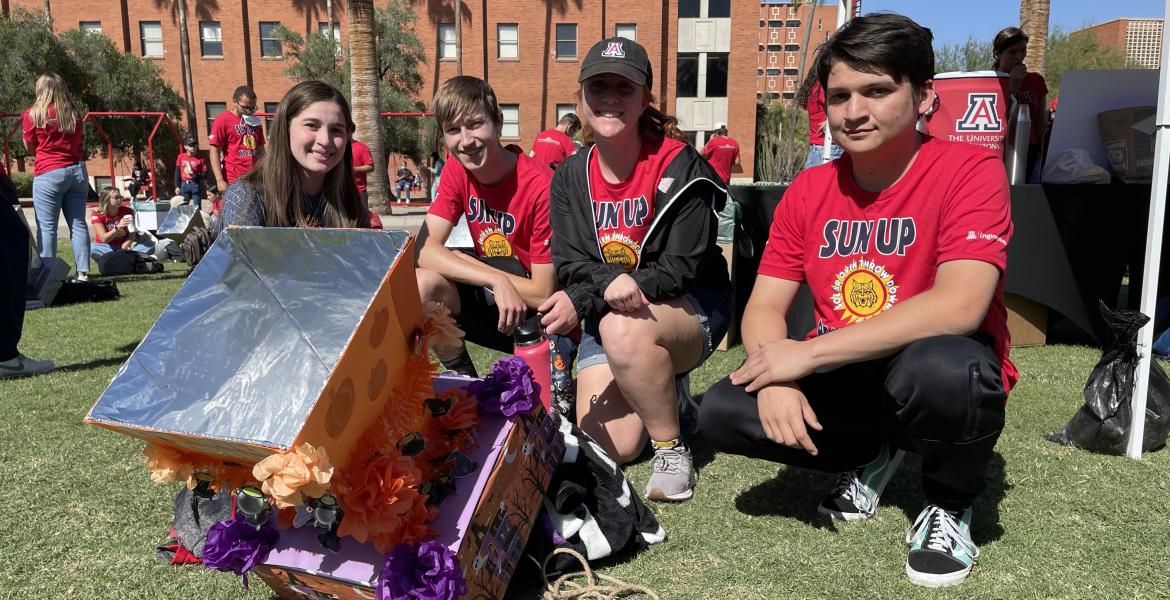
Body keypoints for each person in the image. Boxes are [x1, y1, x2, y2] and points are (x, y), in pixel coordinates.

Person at [698, 14, 1014, 588]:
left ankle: (947, 502)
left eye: (877, 90)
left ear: (924, 97)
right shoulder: (810, 189)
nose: (854, 111)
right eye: (840, 95)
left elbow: (960, 305)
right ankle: (875, 451)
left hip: (930, 359)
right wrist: (776, 378)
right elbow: (765, 306)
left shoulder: (971, 169)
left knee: (945, 372)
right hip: (850, 369)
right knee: (722, 411)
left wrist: (807, 357)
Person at [537, 37, 732, 502]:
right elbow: (569, 262)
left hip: (688, 308)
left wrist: (588, 296)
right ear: (581, 96)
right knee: (614, 445)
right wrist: (603, 286)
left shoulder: (682, 165)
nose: (609, 98)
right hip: (609, 314)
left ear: (645, 99)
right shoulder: (569, 174)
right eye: (598, 86)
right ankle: (670, 396)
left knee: (624, 331)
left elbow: (678, 271)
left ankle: (672, 449)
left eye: (623, 88)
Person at [415, 75, 557, 376]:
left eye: (475, 124)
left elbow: (544, 292)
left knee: (545, 412)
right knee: (421, 285)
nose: (466, 141)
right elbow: (423, 250)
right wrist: (495, 280)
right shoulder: (457, 167)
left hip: (544, 318)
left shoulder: (541, 185)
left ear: (498, 122)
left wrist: (481, 270)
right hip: (498, 296)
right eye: (453, 130)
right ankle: (468, 385)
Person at [222, 81, 370, 229]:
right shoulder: (246, 197)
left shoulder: (351, 200)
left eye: (336, 130)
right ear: (285, 129)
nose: (325, 140)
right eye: (312, 125)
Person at [22, 72, 91, 281]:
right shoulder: (73, 114)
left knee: (47, 227)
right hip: (76, 171)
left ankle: (49, 276)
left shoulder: (33, 114)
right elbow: (80, 140)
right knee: (78, 223)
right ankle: (83, 273)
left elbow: (29, 145)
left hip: (48, 172)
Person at [992, 26, 1047, 179]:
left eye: (1023, 50)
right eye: (1012, 52)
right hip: (1000, 145)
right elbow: (996, 117)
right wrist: (1012, 88)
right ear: (998, 54)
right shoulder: (991, 80)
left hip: (1029, 147)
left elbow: (1040, 121)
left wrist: (1042, 153)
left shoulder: (1036, 80)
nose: (1019, 56)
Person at [209, 85, 266, 193]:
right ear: (235, 101)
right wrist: (219, 180)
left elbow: (261, 149)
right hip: (234, 180)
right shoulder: (222, 121)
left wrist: (264, 172)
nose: (250, 111)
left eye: (253, 107)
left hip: (255, 178)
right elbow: (214, 151)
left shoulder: (255, 121)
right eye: (246, 107)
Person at [89, 186, 155, 257]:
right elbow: (103, 239)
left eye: (120, 197)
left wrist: (124, 247)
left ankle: (123, 256)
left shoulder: (127, 211)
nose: (120, 199)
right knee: (92, 248)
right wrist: (118, 227)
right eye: (116, 197)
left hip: (123, 246)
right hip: (106, 248)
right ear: (106, 200)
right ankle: (128, 256)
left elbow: (132, 234)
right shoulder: (97, 215)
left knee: (150, 244)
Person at [797, 72, 844, 170]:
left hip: (818, 148)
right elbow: (841, 105)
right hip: (829, 147)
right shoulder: (823, 87)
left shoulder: (812, 87)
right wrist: (829, 121)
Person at [174, 138, 207, 209]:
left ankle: (198, 219)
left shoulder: (201, 159)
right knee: (183, 207)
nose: (194, 147)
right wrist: (177, 186)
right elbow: (177, 172)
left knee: (197, 207)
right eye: (191, 145)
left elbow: (204, 174)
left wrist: (196, 176)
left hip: (195, 184)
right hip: (184, 184)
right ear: (185, 146)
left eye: (195, 145)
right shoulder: (181, 157)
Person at [351, 138, 373, 205]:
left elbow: (370, 167)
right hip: (338, 190)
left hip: (359, 191)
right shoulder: (335, 146)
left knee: (361, 215)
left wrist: (353, 170)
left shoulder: (361, 147)